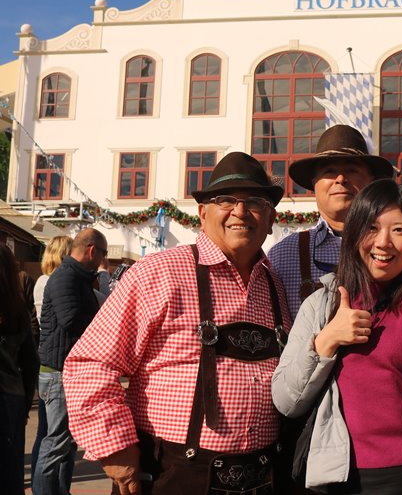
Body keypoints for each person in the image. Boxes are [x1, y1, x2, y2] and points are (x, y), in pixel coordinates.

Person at [63, 152, 290, 495]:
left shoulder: (275, 284)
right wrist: (115, 447)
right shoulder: (159, 272)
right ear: (203, 213)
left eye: (255, 202)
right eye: (225, 200)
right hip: (172, 474)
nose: (240, 211)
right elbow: (90, 364)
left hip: (264, 476)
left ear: (270, 218)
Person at [273, 179, 402, 494]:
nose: (383, 242)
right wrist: (326, 341)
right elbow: (286, 401)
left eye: (399, 230)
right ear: (355, 234)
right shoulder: (323, 304)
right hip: (336, 479)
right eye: (371, 228)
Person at [268, 125, 395, 319]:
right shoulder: (283, 254)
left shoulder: (394, 247)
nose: (341, 179)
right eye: (329, 171)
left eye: (352, 170)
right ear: (314, 183)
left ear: (371, 181)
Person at [35, 228, 107, 495]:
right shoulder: (67, 277)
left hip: (64, 370)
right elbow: (71, 321)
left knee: (64, 444)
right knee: (55, 444)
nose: (103, 260)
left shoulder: (76, 277)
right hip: (59, 373)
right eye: (103, 253)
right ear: (91, 250)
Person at [30, 234, 72, 493]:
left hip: (45, 363)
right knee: (56, 441)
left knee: (45, 437)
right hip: (57, 366)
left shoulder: (41, 281)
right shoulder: (55, 282)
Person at [0, 244, 40, 495]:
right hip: (10, 397)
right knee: (10, 472)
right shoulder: (18, 311)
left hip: (10, 397)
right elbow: (30, 363)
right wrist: (24, 404)